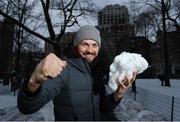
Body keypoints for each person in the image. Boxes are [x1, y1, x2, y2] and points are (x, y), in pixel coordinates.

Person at [17, 25, 136, 121]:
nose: (90, 50)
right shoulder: (64, 68)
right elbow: (27, 107)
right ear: (76, 45)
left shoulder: (96, 70)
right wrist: (34, 81)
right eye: (84, 44)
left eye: (94, 45)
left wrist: (117, 94)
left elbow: (103, 108)